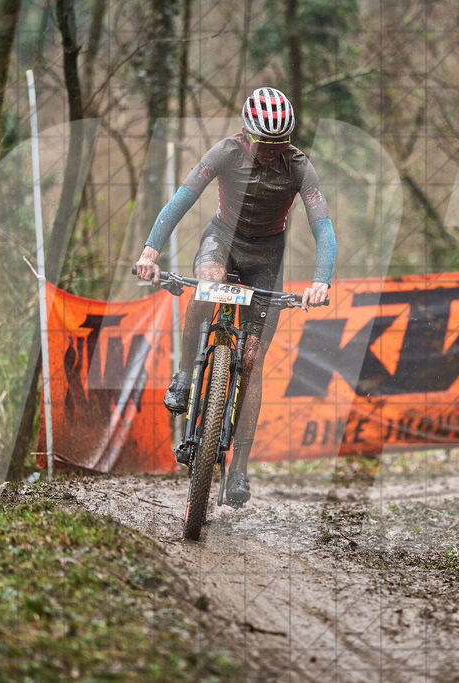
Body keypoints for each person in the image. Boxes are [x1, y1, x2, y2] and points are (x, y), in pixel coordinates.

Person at [133, 87, 336, 508]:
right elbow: (182, 200)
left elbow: (323, 226)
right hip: (222, 239)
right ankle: (186, 378)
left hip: (268, 254)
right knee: (207, 283)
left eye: (281, 143)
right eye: (266, 143)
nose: (272, 152)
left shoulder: (299, 166)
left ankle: (239, 468)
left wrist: (321, 280)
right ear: (247, 134)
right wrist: (150, 251)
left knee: (251, 359)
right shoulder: (225, 152)